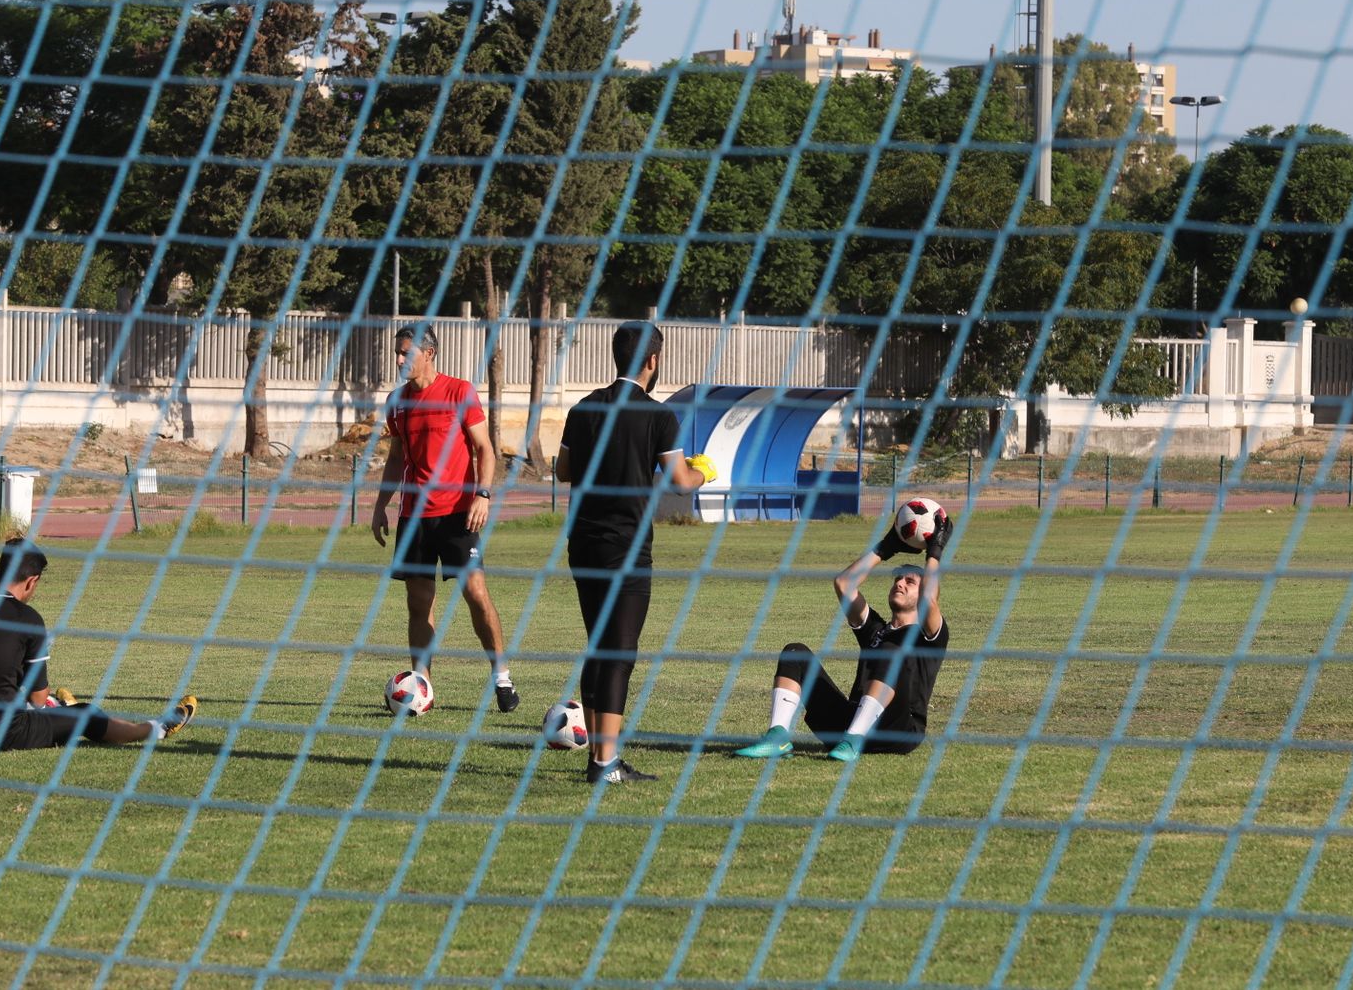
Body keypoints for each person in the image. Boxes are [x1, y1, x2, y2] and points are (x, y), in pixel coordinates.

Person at [555, 321, 716, 785]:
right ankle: (606, 764)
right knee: (620, 653)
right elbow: (680, 482)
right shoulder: (658, 416)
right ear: (652, 361)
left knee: (599, 646)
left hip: (583, 544)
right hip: (626, 548)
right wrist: (703, 469)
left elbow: (564, 469)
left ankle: (600, 760)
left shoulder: (583, 409)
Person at [372, 324, 518, 713]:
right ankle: (423, 688)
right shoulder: (397, 401)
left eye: (407, 353)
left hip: (458, 515)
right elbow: (396, 457)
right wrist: (379, 505)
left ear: (429, 353)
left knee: (475, 593)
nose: (400, 360)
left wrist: (483, 495)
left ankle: (501, 677)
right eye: (398, 353)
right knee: (418, 603)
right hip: (413, 518)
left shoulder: (459, 392)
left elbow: (485, 449)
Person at [0, 538, 197, 753]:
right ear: (32, 581)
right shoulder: (27, 619)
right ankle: (156, 728)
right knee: (85, 714)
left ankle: (60, 708)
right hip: (0, 735)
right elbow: (36, 698)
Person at [734, 509, 953, 762]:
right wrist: (885, 547)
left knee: (891, 652)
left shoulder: (930, 637)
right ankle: (777, 738)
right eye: (898, 579)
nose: (899, 583)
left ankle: (853, 741)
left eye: (910, 582)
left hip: (899, 732)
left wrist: (934, 551)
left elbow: (929, 599)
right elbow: (844, 584)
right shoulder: (877, 630)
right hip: (848, 723)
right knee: (796, 653)